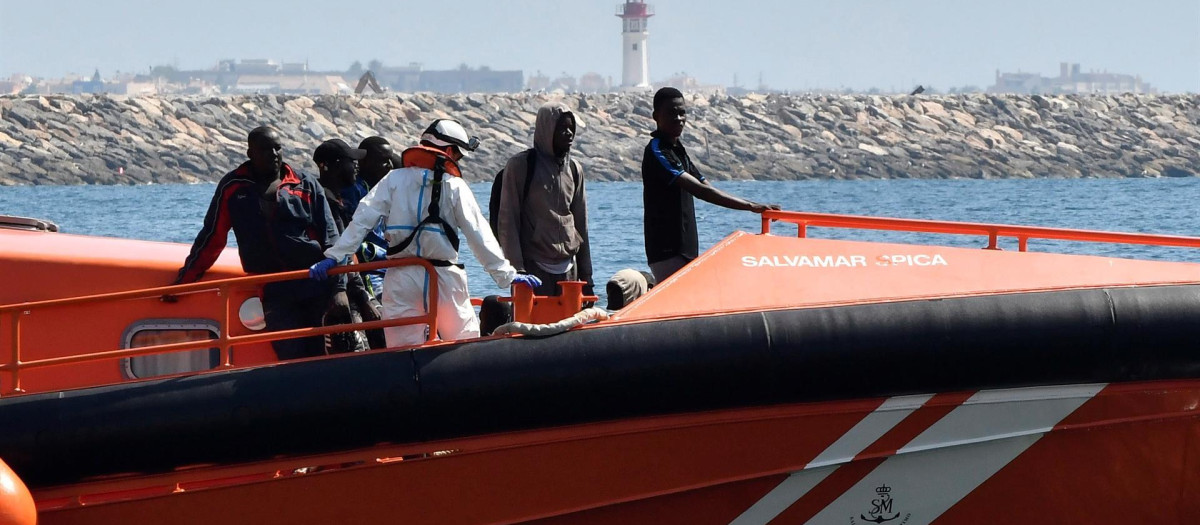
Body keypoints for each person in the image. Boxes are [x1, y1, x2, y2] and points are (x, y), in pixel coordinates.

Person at [310, 119, 541, 347]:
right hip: (443, 277)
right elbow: (478, 234)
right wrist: (506, 275)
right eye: (458, 154)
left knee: (402, 350)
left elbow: (362, 219)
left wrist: (334, 256)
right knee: (464, 343)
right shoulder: (455, 186)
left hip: (401, 278)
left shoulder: (393, 180)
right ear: (449, 151)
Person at [173, 126, 348, 360]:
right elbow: (212, 237)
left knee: (326, 356)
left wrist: (339, 288)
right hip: (274, 289)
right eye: (265, 149)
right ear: (250, 153)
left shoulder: (306, 184)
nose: (274, 154)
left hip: (315, 283)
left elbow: (332, 238)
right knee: (291, 357)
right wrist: (184, 281)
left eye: (277, 148)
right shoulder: (233, 188)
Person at [642, 87, 780, 282]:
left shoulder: (677, 150)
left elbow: (707, 186)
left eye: (682, 113)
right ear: (656, 116)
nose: (679, 118)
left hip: (686, 248)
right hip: (666, 251)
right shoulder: (657, 150)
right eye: (672, 113)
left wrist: (756, 204)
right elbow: (700, 191)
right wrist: (751, 207)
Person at [496, 101, 593, 297]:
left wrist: (587, 276)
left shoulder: (574, 169)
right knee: (535, 326)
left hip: (569, 269)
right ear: (547, 130)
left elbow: (581, 223)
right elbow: (508, 221)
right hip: (533, 268)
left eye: (571, 128)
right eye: (562, 128)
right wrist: (517, 270)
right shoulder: (521, 166)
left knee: (568, 325)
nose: (569, 133)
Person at [312, 138, 385, 351]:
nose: (356, 166)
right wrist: (361, 297)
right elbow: (338, 251)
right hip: (339, 291)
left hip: (353, 285)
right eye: (349, 161)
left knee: (381, 335)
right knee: (354, 347)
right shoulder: (323, 201)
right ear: (333, 166)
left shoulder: (338, 200)